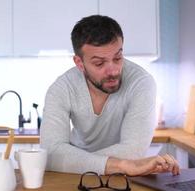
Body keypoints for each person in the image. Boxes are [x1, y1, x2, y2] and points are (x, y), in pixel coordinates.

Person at [40, 15, 179, 176]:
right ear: (79, 63)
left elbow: (133, 151)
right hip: (79, 177)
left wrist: (71, 162)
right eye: (99, 63)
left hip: (119, 176)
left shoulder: (141, 83)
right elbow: (50, 154)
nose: (113, 71)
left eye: (118, 58)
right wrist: (120, 165)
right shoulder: (61, 88)